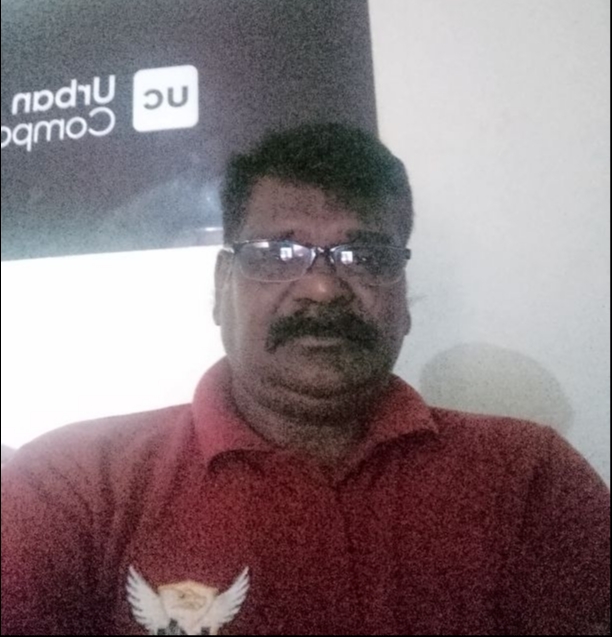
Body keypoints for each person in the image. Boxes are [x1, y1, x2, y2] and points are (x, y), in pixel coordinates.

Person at [1, 122, 609, 637]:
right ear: (221, 286)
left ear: (403, 297)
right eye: (277, 252)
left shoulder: (531, 477)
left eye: (364, 256)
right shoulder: (69, 486)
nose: (322, 288)